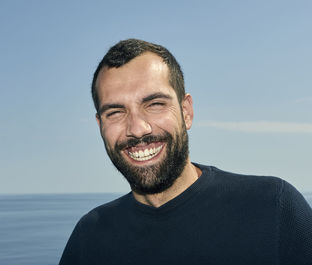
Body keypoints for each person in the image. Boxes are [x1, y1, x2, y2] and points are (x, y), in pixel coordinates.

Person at [59, 39, 312, 265]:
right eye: (115, 112)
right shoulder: (89, 238)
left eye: (155, 104)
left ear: (186, 112)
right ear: (100, 125)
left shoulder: (274, 208)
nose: (137, 129)